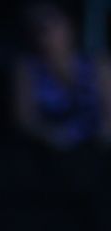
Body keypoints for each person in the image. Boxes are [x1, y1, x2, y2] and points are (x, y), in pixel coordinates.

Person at [13, 2, 111, 152]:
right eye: (36, 25)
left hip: (97, 149)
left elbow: (109, 112)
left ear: (69, 24)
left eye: (50, 21)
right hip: (47, 151)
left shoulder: (98, 63)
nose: (44, 31)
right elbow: (26, 119)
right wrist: (51, 135)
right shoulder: (26, 68)